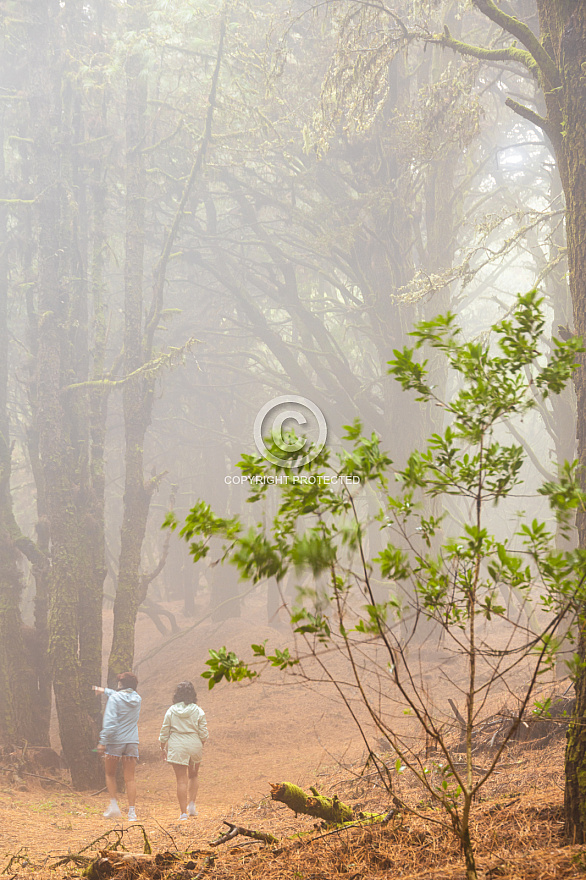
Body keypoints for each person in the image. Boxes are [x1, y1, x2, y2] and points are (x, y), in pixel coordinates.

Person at [93, 672, 142, 821]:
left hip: (115, 742)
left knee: (110, 774)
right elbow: (121, 696)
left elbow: (110, 722)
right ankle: (132, 813)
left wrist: (103, 742)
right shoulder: (137, 699)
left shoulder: (115, 699)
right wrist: (104, 690)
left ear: (121, 685)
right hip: (132, 741)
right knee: (130, 779)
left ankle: (114, 806)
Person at [159, 681, 209, 820]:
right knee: (193, 775)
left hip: (177, 746)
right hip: (194, 744)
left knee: (181, 780)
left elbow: (165, 731)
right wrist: (200, 745)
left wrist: (162, 747)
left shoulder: (171, 710)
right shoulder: (198, 710)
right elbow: (204, 733)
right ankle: (192, 805)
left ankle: (183, 813)